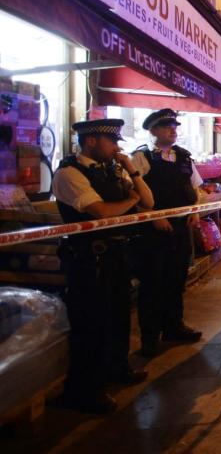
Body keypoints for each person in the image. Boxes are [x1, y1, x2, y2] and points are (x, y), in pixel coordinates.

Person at [51, 119, 155, 414]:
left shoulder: (110, 170)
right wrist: (130, 200)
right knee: (91, 323)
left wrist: (132, 173)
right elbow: (102, 212)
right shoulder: (70, 173)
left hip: (116, 255)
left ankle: (116, 369)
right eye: (112, 142)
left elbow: (147, 201)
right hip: (88, 259)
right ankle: (84, 390)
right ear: (92, 141)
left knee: (118, 316)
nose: (117, 147)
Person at [130, 109, 204, 357]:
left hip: (182, 229)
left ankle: (174, 326)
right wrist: (155, 217)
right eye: (166, 127)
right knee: (153, 284)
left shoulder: (183, 157)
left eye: (174, 126)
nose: (173, 130)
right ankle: (150, 338)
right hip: (154, 232)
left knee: (176, 279)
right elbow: (132, 193)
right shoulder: (141, 157)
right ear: (152, 131)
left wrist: (194, 211)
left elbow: (195, 189)